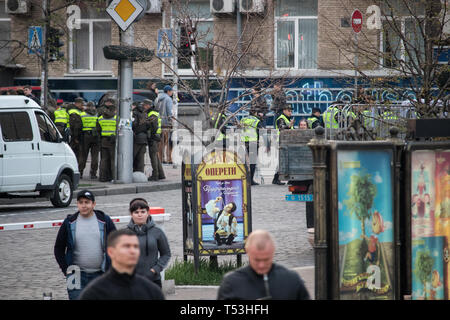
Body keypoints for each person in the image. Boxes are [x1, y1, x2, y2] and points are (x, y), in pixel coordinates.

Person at [54, 190, 117, 300]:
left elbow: (117, 244)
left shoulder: (104, 220)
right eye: (81, 202)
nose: (84, 206)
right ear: (77, 204)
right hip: (75, 275)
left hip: (101, 274)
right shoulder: (69, 222)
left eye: (87, 202)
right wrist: (66, 269)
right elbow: (58, 248)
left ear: (93, 204)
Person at [217, 229, 310, 300]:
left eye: (266, 260)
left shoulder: (292, 280)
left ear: (273, 252)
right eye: (256, 260)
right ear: (248, 252)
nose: (261, 265)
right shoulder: (231, 283)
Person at [79, 229, 165, 300]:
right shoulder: (95, 293)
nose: (132, 251)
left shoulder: (152, 291)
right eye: (126, 246)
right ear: (111, 252)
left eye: (135, 246)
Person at [126, 198, 171, 288]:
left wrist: (155, 269)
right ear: (131, 214)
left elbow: (166, 254)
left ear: (148, 213)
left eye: (143, 212)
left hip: (153, 279)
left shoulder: (157, 232)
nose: (140, 215)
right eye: (136, 212)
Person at [240, 106, 265, 185]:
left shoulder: (243, 119)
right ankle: (250, 180)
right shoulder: (256, 121)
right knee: (252, 162)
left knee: (245, 162)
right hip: (253, 142)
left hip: (244, 142)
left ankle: (245, 178)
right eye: (259, 113)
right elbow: (261, 131)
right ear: (255, 113)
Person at [272, 104, 294, 185]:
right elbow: (282, 129)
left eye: (291, 111)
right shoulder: (281, 119)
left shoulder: (287, 119)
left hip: (287, 142)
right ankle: (276, 178)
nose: (290, 113)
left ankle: (286, 178)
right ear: (284, 110)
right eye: (289, 111)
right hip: (282, 142)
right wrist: (290, 126)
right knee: (283, 161)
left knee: (287, 161)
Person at [97, 100, 118, 182]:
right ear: (114, 110)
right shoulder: (116, 118)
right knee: (113, 160)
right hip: (113, 140)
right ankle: (113, 177)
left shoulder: (100, 118)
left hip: (104, 140)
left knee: (104, 159)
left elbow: (98, 130)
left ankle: (102, 177)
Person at [79, 102, 100, 179]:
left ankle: (80, 172)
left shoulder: (82, 114)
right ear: (94, 107)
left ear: (87, 107)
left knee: (83, 155)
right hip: (95, 136)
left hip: (85, 136)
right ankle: (93, 174)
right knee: (95, 156)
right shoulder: (97, 114)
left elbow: (79, 126)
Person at [146, 99, 166, 181]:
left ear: (149, 105)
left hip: (154, 137)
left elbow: (154, 126)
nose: (144, 107)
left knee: (153, 156)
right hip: (156, 137)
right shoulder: (154, 112)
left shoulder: (152, 113)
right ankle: (161, 174)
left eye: (145, 105)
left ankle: (155, 175)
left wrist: (151, 137)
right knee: (156, 156)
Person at [156, 85, 174, 164]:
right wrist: (171, 121)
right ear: (168, 91)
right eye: (171, 91)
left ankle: (160, 158)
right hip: (166, 123)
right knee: (169, 142)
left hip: (158, 123)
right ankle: (169, 159)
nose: (172, 92)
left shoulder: (157, 99)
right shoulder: (168, 99)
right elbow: (170, 112)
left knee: (160, 142)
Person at [132, 101, 149, 173]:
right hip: (144, 137)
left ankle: (132, 172)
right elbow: (148, 125)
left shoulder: (135, 113)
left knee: (132, 156)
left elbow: (134, 124)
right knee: (141, 157)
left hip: (136, 137)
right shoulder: (145, 113)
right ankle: (140, 173)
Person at [68, 98, 85, 169]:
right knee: (76, 153)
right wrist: (76, 138)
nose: (83, 105)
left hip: (73, 135)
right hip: (74, 136)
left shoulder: (78, 111)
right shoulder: (74, 112)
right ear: (77, 104)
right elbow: (76, 126)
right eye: (81, 104)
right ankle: (75, 168)